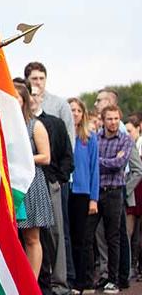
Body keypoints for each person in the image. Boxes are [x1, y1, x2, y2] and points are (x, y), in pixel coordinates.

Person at [28, 85, 73, 295]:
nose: (33, 98)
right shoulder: (14, 123)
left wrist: (57, 180)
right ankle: (40, 284)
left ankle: (59, 283)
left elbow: (66, 154)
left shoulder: (54, 123)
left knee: (54, 235)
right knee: (32, 238)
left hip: (49, 184)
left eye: (36, 93)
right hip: (27, 188)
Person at [87, 105, 134, 293]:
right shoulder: (94, 138)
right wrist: (107, 160)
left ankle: (113, 279)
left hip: (115, 192)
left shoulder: (126, 139)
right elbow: (92, 162)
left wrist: (99, 160)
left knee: (113, 236)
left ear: (119, 119)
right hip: (96, 192)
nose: (113, 122)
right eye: (109, 119)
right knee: (89, 235)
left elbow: (119, 164)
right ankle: (97, 277)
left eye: (116, 119)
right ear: (103, 120)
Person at [14, 81, 53, 279]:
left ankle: (31, 282)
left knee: (32, 237)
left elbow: (46, 157)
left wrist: (22, 158)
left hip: (30, 185)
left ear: (24, 101)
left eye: (16, 97)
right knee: (11, 237)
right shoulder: (3, 125)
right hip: (9, 184)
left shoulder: (35, 125)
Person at [67, 98, 100, 293]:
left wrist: (93, 198)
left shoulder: (89, 138)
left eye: (78, 110)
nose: (75, 114)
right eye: (72, 110)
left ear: (83, 113)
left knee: (83, 239)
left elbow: (94, 168)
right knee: (69, 237)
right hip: (67, 190)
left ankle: (84, 280)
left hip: (82, 192)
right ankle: (71, 279)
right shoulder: (64, 135)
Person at [126, 114, 142, 279]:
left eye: (130, 130)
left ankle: (133, 266)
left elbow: (137, 171)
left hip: (134, 193)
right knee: (131, 232)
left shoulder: (134, 146)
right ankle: (132, 265)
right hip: (134, 196)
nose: (128, 133)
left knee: (133, 232)